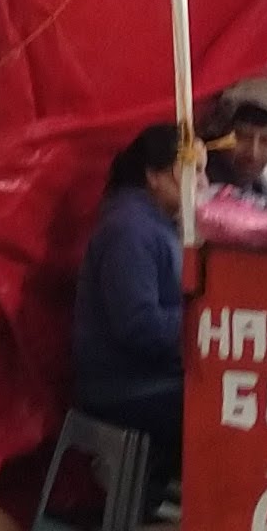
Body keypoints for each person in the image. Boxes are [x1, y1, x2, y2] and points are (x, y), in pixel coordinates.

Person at [72, 121, 188, 472]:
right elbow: (138, 326)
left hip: (145, 377)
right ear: (154, 176)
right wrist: (201, 322)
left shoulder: (158, 225)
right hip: (122, 386)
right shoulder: (131, 230)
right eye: (190, 171)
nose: (202, 183)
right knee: (222, 406)